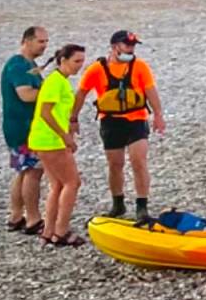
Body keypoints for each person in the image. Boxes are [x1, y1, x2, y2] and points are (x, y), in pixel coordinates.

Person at [77, 30, 163, 220]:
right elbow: (81, 93)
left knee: (138, 161)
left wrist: (158, 115)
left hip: (137, 119)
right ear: (115, 47)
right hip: (110, 121)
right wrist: (73, 118)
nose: (131, 49)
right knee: (115, 164)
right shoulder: (96, 69)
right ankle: (118, 203)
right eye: (127, 45)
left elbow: (150, 91)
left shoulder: (140, 66)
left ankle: (142, 205)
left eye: (133, 45)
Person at [29, 43, 87, 247]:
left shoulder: (58, 80)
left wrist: (70, 126)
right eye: (76, 61)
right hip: (51, 141)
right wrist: (65, 136)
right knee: (72, 183)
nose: (80, 66)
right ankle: (61, 230)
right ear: (63, 60)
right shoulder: (56, 82)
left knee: (57, 184)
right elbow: (45, 112)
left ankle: (49, 231)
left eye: (82, 61)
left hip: (43, 139)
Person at [0, 25, 48, 234]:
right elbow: (26, 95)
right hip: (24, 128)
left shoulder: (30, 64)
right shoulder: (18, 66)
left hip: (18, 127)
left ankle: (16, 215)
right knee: (33, 171)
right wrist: (50, 92)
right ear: (27, 41)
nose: (45, 46)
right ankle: (33, 218)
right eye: (41, 41)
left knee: (22, 171)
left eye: (46, 42)